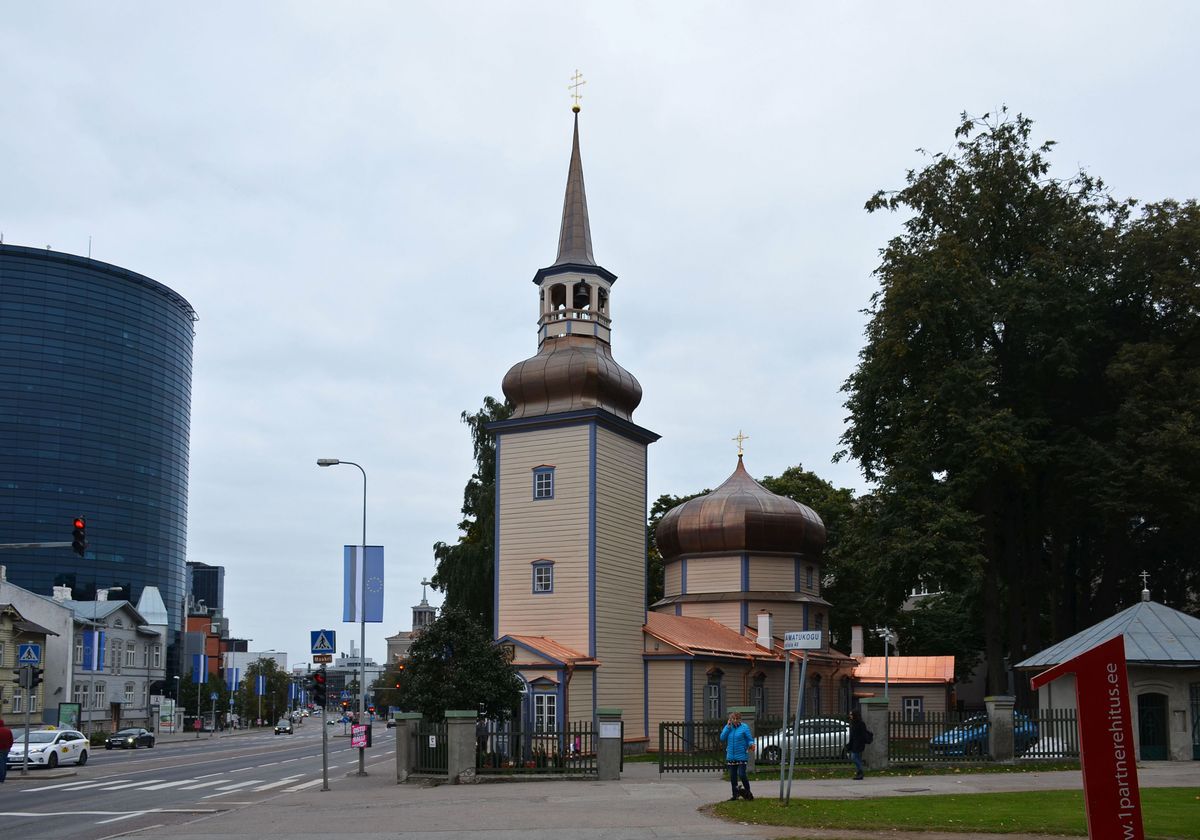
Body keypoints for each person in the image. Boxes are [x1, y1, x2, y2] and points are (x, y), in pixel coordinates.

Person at [719, 711, 755, 801]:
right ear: (730, 719)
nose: (735, 720)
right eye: (733, 719)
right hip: (731, 756)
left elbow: (749, 739)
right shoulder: (728, 727)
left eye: (737, 719)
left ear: (740, 719)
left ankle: (748, 793)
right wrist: (727, 727)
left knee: (742, 774)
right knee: (733, 776)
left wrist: (751, 744)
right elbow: (722, 738)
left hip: (741, 755)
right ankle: (735, 795)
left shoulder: (744, 727)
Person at [846, 708, 869, 780]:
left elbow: (863, 734)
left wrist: (861, 742)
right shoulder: (853, 723)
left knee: (854, 757)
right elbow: (852, 735)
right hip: (854, 743)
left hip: (859, 744)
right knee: (857, 758)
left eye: (851, 714)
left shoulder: (861, 723)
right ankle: (859, 772)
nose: (850, 716)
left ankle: (860, 771)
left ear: (855, 715)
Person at [0, 718, 12, 783]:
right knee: (4, 763)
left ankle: (1, 778)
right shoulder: (8, 731)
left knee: (1, 763)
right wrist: (9, 747)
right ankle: (3, 777)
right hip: (6, 749)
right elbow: (11, 740)